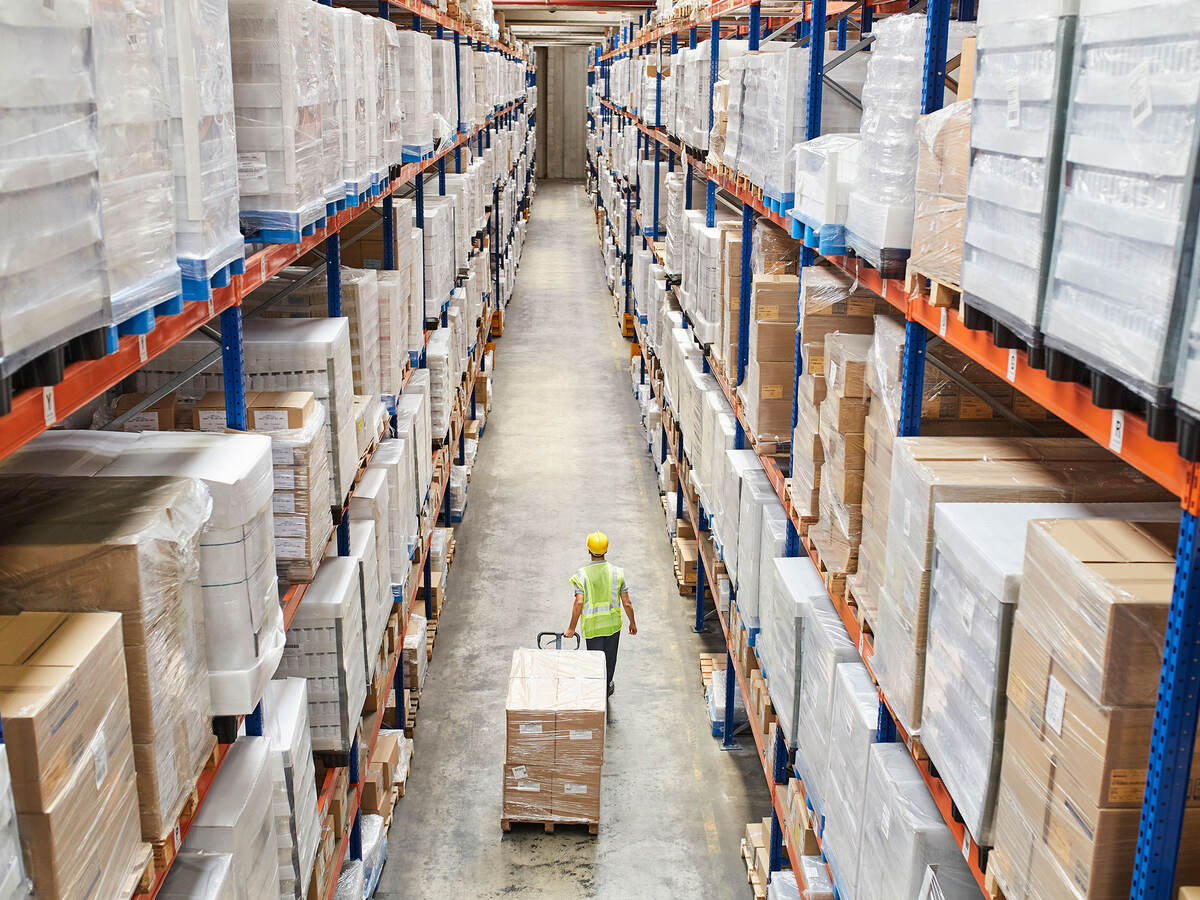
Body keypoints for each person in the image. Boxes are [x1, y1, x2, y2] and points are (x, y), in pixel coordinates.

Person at [564, 531, 636, 696]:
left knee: (595, 660)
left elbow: (579, 602)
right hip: (612, 625)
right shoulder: (617, 573)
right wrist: (632, 622)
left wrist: (571, 628)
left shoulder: (582, 575)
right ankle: (606, 687)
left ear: (588, 550)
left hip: (593, 627)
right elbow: (627, 602)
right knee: (610, 659)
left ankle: (596, 690)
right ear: (606, 550)